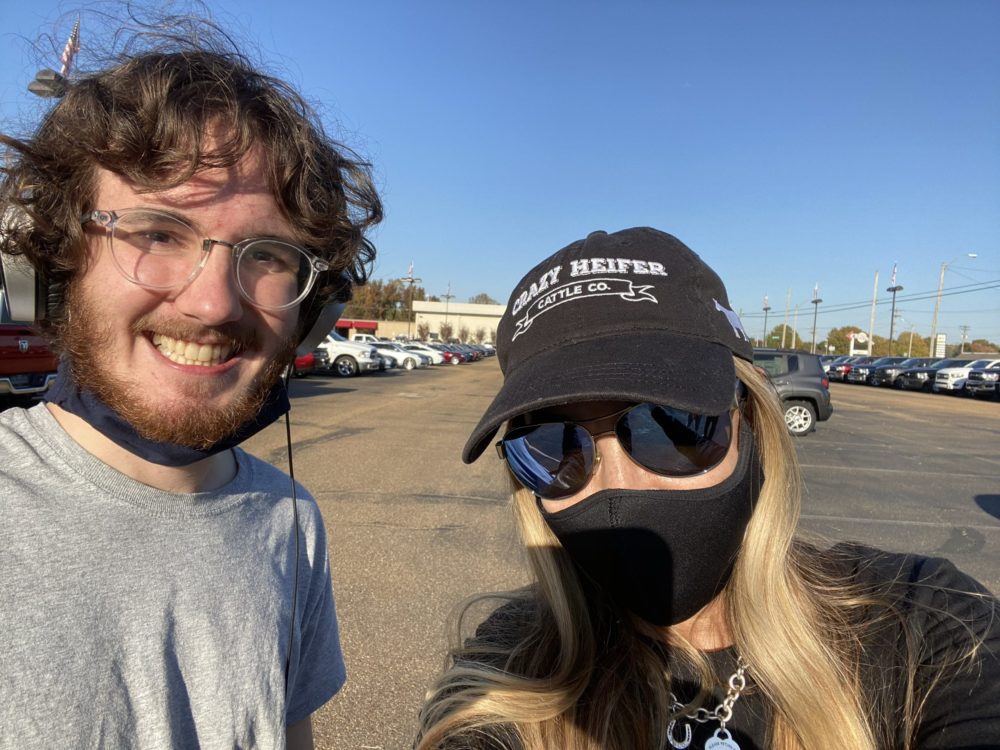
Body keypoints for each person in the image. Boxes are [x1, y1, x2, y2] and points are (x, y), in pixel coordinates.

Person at [415, 228, 1000, 750]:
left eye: (670, 425)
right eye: (553, 446)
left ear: (755, 422)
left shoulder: (918, 621)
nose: (618, 485)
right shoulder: (513, 667)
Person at [0, 13, 381, 749]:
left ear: (312, 316)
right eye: (156, 233)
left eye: (266, 255)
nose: (212, 304)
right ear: (48, 265)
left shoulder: (290, 522)